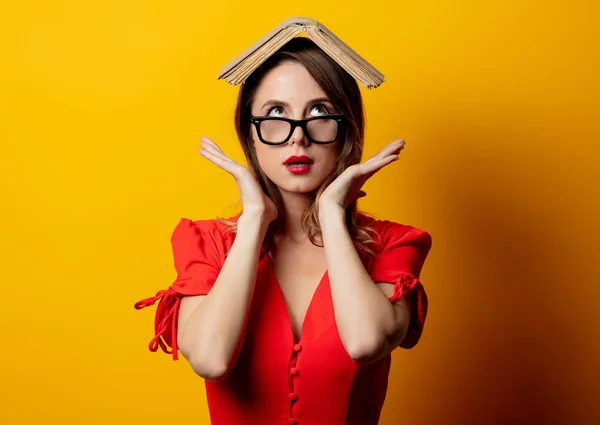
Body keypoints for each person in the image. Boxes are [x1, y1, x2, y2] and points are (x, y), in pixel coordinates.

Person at [135, 35, 432, 425]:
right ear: (249, 133)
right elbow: (209, 359)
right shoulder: (206, 243)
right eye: (276, 113)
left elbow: (365, 343)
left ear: (347, 130)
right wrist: (254, 219)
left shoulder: (394, 245)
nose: (298, 136)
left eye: (320, 113)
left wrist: (330, 213)